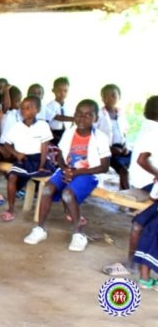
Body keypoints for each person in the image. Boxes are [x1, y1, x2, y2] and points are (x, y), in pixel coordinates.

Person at [24, 99, 111, 252]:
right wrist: (65, 169)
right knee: (46, 189)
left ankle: (79, 234)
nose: (82, 118)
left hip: (89, 174)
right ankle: (40, 229)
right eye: (78, 114)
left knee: (68, 194)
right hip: (68, 170)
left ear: (95, 118)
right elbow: (60, 156)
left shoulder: (100, 138)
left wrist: (76, 172)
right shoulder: (70, 133)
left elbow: (104, 167)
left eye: (87, 115)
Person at [103, 96, 158, 276]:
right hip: (148, 183)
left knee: (139, 223)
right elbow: (142, 160)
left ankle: (133, 263)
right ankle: (135, 264)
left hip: (144, 181)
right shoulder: (154, 131)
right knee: (144, 222)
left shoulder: (147, 126)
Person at [1, 96, 54, 222]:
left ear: (38, 109)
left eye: (28, 108)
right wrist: (16, 154)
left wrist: (41, 165)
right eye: (22, 108)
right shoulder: (16, 127)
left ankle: (63, 210)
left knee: (54, 181)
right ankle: (11, 208)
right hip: (23, 159)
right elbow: (6, 144)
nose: (24, 110)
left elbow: (44, 148)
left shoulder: (43, 125)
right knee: (12, 177)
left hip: (39, 160)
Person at [95, 84, 130, 190]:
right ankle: (127, 198)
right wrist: (109, 149)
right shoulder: (98, 114)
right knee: (123, 170)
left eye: (113, 95)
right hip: (106, 151)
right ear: (102, 98)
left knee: (134, 162)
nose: (110, 98)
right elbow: (93, 135)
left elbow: (124, 133)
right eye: (106, 96)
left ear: (119, 97)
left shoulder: (121, 114)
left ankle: (123, 189)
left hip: (121, 149)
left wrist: (126, 147)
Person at [45, 77, 74, 146]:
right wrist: (74, 118)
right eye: (59, 90)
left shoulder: (69, 106)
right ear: (53, 90)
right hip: (54, 134)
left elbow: (72, 122)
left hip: (66, 134)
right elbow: (57, 117)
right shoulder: (49, 106)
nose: (62, 93)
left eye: (65, 91)